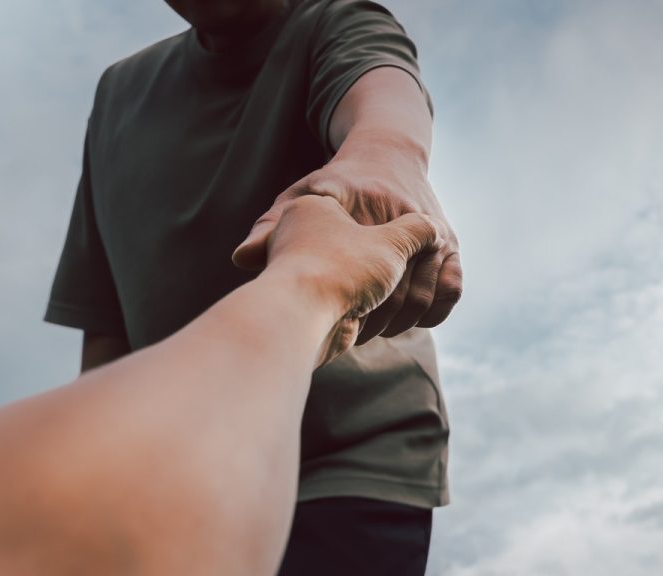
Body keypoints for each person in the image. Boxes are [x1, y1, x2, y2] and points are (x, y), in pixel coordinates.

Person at [44, 0, 462, 573]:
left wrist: (386, 159)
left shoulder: (334, 18)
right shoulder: (119, 91)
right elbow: (106, 326)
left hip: (339, 462)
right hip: (173, 476)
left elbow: (382, 93)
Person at [0, 196, 442, 576]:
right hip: (182, 443)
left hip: (354, 454)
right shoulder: (114, 102)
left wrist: (386, 181)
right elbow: (103, 326)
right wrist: (315, 282)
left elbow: (387, 135)